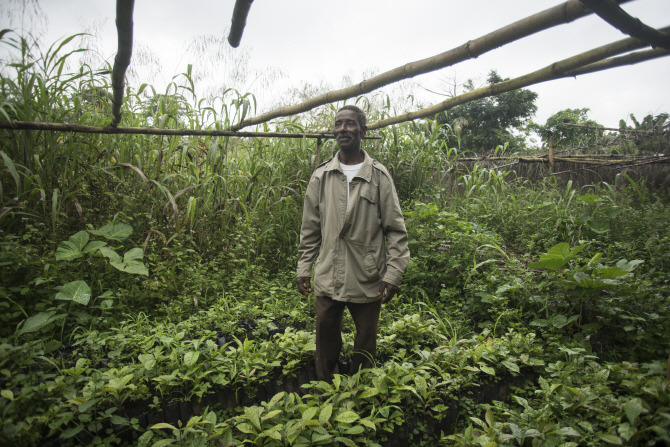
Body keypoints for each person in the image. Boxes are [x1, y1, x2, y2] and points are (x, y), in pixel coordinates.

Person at [296, 105, 410, 383]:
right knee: (325, 335)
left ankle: (361, 388)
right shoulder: (321, 176)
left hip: (367, 274)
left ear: (363, 130)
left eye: (349, 124)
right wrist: (303, 268)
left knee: (366, 339)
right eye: (338, 124)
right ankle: (326, 386)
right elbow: (310, 229)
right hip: (328, 273)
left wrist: (393, 273)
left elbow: (395, 230)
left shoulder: (378, 176)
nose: (343, 129)